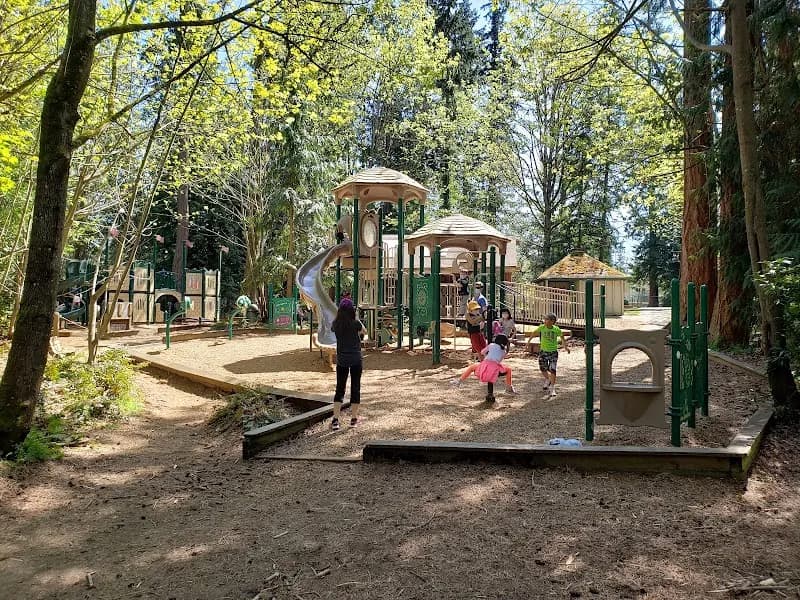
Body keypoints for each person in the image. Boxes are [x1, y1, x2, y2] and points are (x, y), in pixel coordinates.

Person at [331, 297, 366, 430]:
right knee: (355, 388)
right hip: (356, 359)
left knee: (340, 389)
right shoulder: (355, 323)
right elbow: (365, 331)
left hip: (342, 360)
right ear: (352, 310)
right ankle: (354, 419)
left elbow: (333, 328)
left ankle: (335, 419)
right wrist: (356, 317)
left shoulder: (336, 324)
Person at [527, 312, 570, 397]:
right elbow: (533, 333)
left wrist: (566, 347)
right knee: (543, 368)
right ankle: (547, 379)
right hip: (543, 352)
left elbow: (562, 338)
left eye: (547, 319)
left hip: (553, 352)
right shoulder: (542, 328)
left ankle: (552, 388)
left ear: (552, 321)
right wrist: (528, 342)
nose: (545, 321)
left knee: (553, 369)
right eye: (545, 319)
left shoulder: (556, 329)